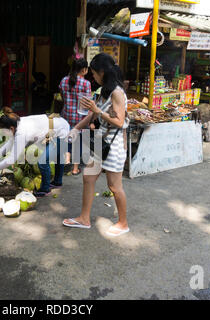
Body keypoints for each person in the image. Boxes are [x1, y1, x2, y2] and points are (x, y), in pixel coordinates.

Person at [62, 53, 130, 237]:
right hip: (101, 143)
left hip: (114, 146)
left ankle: (123, 223)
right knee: (88, 177)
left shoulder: (117, 92)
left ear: (102, 72)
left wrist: (97, 110)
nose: (93, 77)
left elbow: (119, 121)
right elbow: (91, 116)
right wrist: (76, 128)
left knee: (115, 187)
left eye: (94, 73)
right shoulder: (104, 91)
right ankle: (84, 219)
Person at [0, 107, 70, 197]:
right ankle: (57, 182)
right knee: (57, 156)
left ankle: (45, 189)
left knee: (43, 161)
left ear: (11, 129)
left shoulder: (21, 133)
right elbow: (10, 142)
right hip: (57, 124)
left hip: (61, 130)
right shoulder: (17, 122)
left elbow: (12, 159)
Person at [59, 58, 91, 175]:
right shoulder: (86, 83)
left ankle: (67, 161)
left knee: (68, 139)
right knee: (78, 142)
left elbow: (62, 97)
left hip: (66, 115)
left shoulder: (64, 80)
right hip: (80, 118)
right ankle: (75, 169)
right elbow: (87, 103)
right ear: (84, 70)